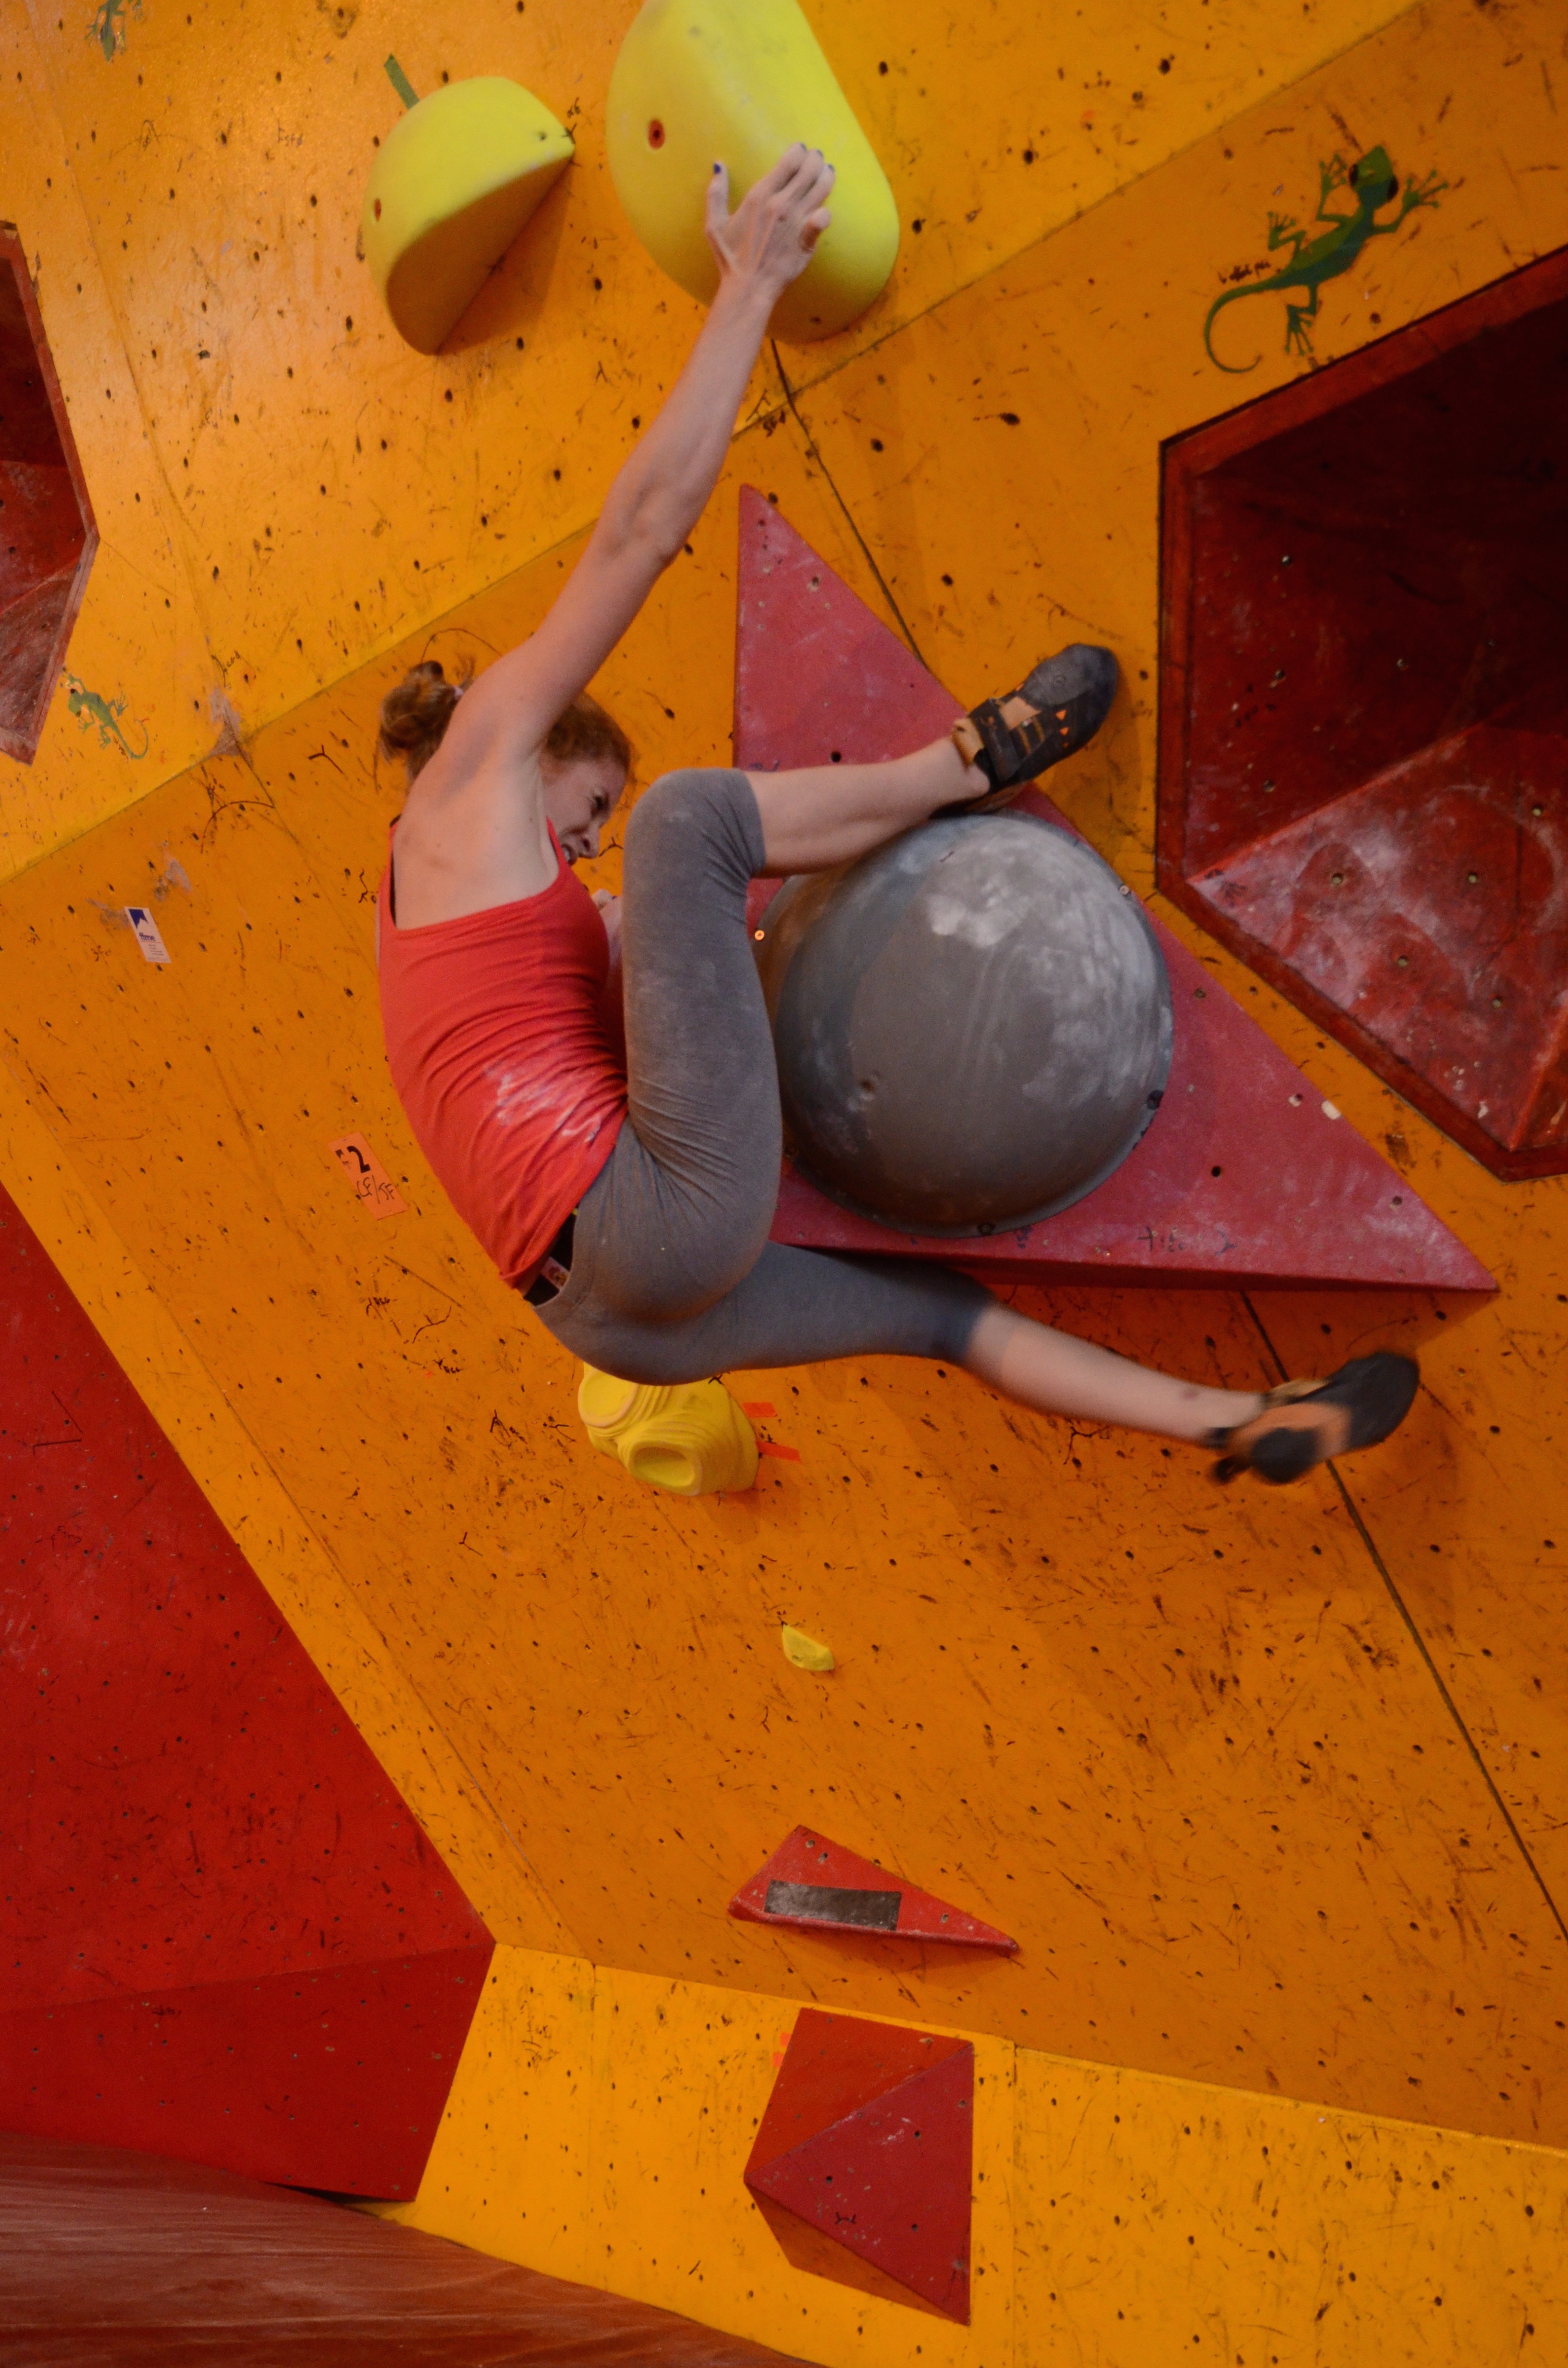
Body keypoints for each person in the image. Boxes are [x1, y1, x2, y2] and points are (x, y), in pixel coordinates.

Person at [375, 144, 1417, 1487]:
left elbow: (565, 1044)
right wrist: (748, 287)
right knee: (689, 821)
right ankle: (976, 760)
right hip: (645, 1222)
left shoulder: (434, 912)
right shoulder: (476, 767)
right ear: (537, 739)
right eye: (586, 811)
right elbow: (637, 529)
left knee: (941, 1320)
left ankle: (1238, 1421)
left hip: (603, 1322)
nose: (583, 842)